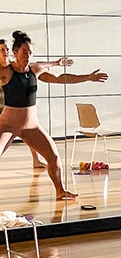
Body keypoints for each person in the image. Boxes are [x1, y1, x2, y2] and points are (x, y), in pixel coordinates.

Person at [0, 30, 108, 200]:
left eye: (30, 53)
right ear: (15, 53)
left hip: (31, 126)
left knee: (53, 157)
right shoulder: (6, 72)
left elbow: (61, 78)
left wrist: (88, 77)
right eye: (23, 53)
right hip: (7, 125)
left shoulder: (35, 69)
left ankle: (60, 191)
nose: (27, 56)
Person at [0, 39, 74, 169]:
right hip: (7, 112)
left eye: (6, 49)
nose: (5, 52)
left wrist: (56, 63)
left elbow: (36, 65)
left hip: (22, 114)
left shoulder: (15, 66)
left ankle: (36, 160)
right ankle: (36, 160)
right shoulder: (5, 70)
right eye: (2, 50)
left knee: (29, 130)